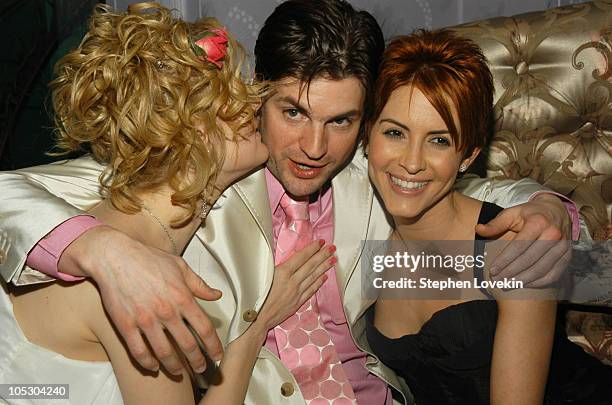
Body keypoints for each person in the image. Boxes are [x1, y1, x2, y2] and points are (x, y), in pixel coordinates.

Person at [0, 0, 580, 403]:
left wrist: (551, 206)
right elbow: (13, 193)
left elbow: (468, 191)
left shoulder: (376, 178)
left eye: (341, 121)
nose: (313, 148)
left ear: (366, 124)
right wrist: (103, 251)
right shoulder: (189, 174)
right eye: (293, 112)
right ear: (256, 98)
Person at [0, 4, 336, 404]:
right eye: (233, 101)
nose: (253, 106)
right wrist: (256, 325)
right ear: (186, 135)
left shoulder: (109, 226)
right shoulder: (143, 295)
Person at [364, 29, 612, 405]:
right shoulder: (367, 240)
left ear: (467, 155)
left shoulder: (515, 247)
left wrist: (551, 206)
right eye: (395, 132)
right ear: (368, 135)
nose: (411, 162)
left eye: (439, 140)